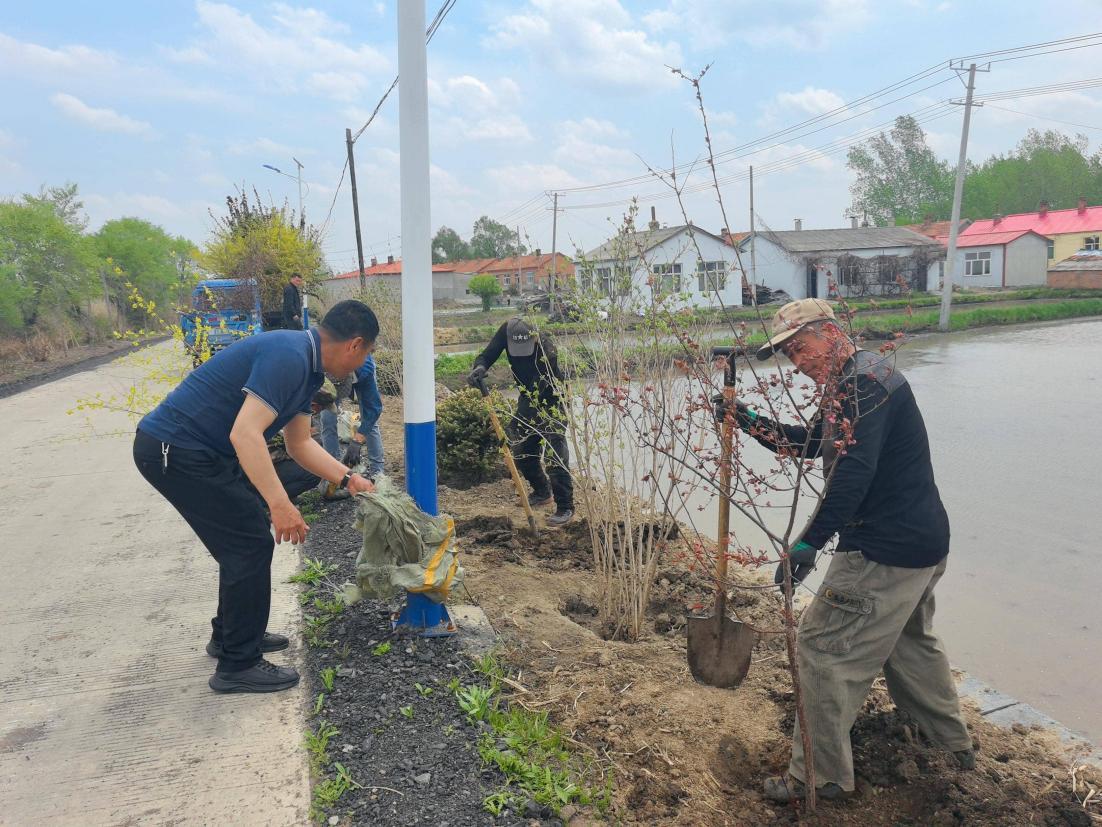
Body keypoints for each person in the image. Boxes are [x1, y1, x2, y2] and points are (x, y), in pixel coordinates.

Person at [715, 298, 973, 803]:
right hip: (922, 541)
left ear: (830, 333)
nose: (798, 362)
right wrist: (747, 419)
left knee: (821, 649)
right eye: (789, 354)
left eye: (801, 347)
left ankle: (820, 776)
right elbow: (813, 443)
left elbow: (854, 475)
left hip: (883, 551)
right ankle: (949, 744)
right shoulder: (860, 378)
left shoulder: (861, 385)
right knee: (909, 643)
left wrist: (809, 542)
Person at [133, 300, 378, 694]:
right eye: (365, 355)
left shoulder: (308, 368)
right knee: (248, 543)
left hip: (197, 452)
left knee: (244, 541)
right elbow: (245, 434)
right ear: (355, 344)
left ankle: (232, 635)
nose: (360, 366)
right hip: (175, 450)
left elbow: (299, 444)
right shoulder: (289, 356)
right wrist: (280, 504)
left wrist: (349, 478)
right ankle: (238, 664)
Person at [468, 317, 574, 527]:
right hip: (528, 396)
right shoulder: (506, 331)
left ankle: (565, 507)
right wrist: (480, 367)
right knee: (521, 447)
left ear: (534, 338)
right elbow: (488, 354)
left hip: (553, 397)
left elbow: (541, 383)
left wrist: (534, 420)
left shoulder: (547, 348)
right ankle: (543, 491)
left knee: (554, 453)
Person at [318, 355, 385, 483]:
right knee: (327, 419)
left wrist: (357, 442)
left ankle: (378, 473)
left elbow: (373, 409)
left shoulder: (365, 370)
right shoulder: (321, 363)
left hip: (359, 373)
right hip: (329, 379)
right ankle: (332, 471)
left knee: (370, 422)